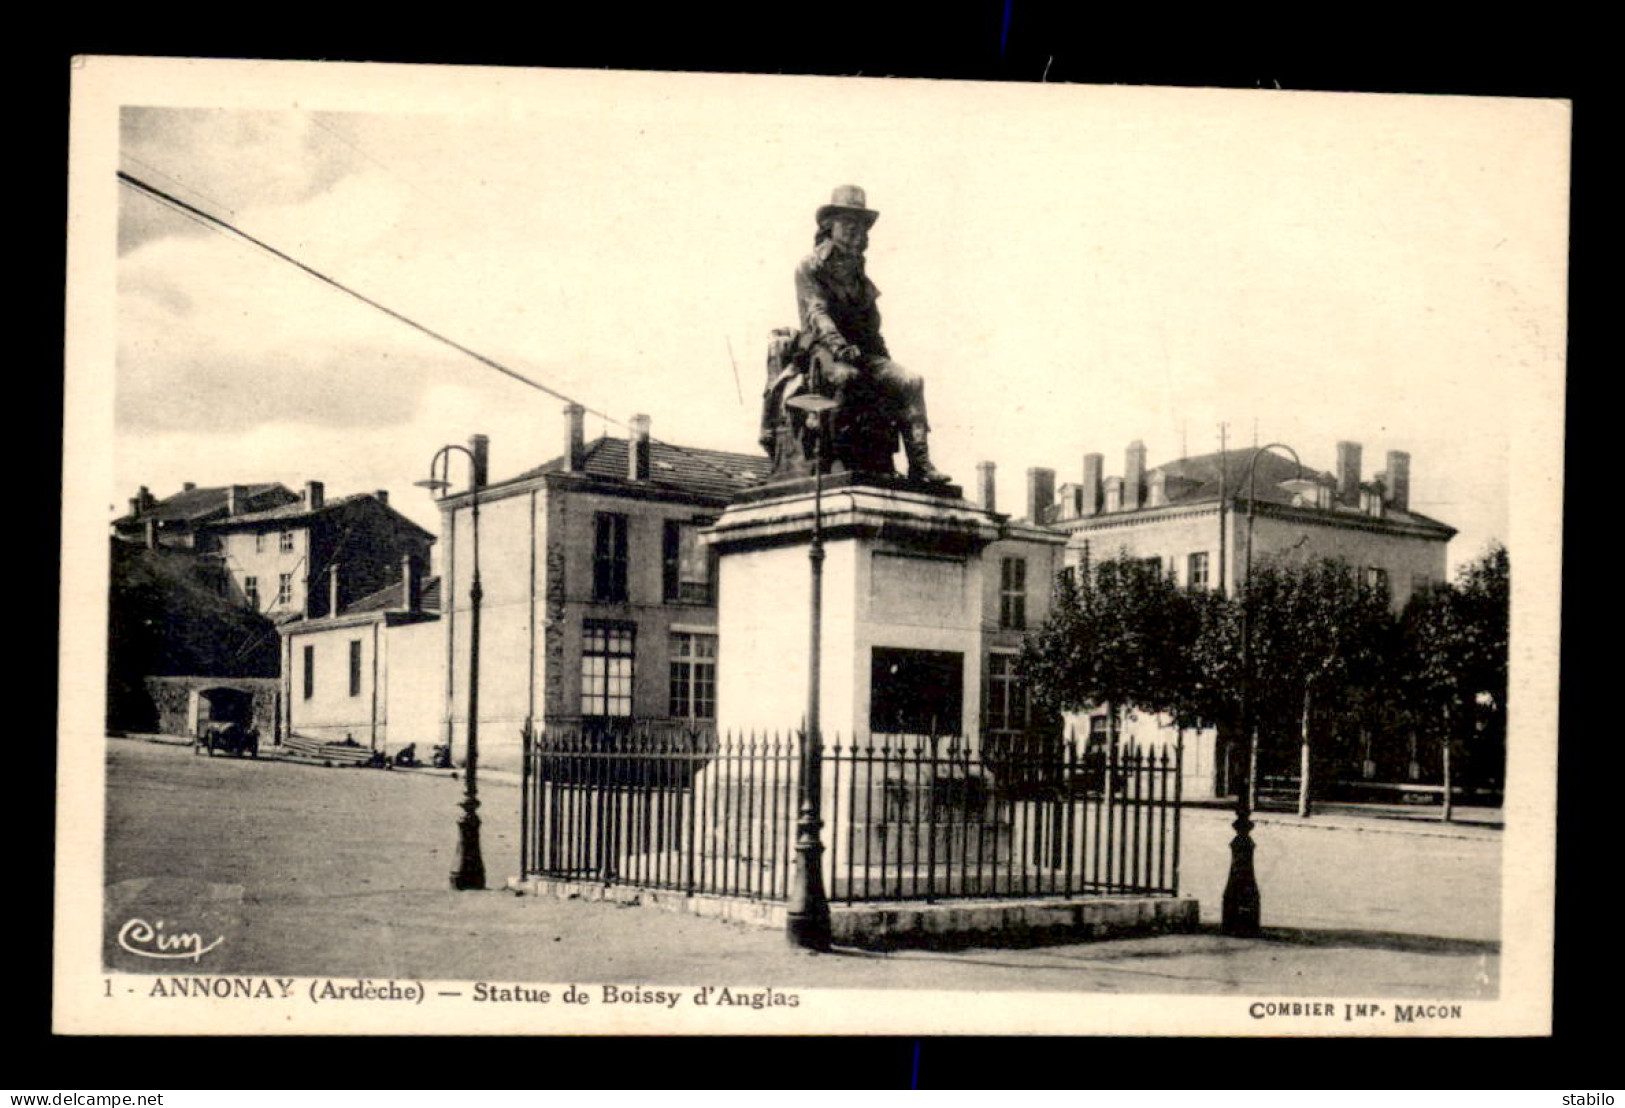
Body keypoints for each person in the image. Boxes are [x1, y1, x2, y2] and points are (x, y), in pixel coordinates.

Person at [794, 185, 950, 484]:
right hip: (821, 350)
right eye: (849, 223)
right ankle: (831, 459)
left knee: (910, 380)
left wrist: (885, 365)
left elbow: (872, 327)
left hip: (863, 353)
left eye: (862, 225)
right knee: (846, 377)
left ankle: (920, 465)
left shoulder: (858, 273)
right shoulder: (810, 266)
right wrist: (839, 347)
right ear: (830, 225)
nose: (858, 231)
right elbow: (817, 313)